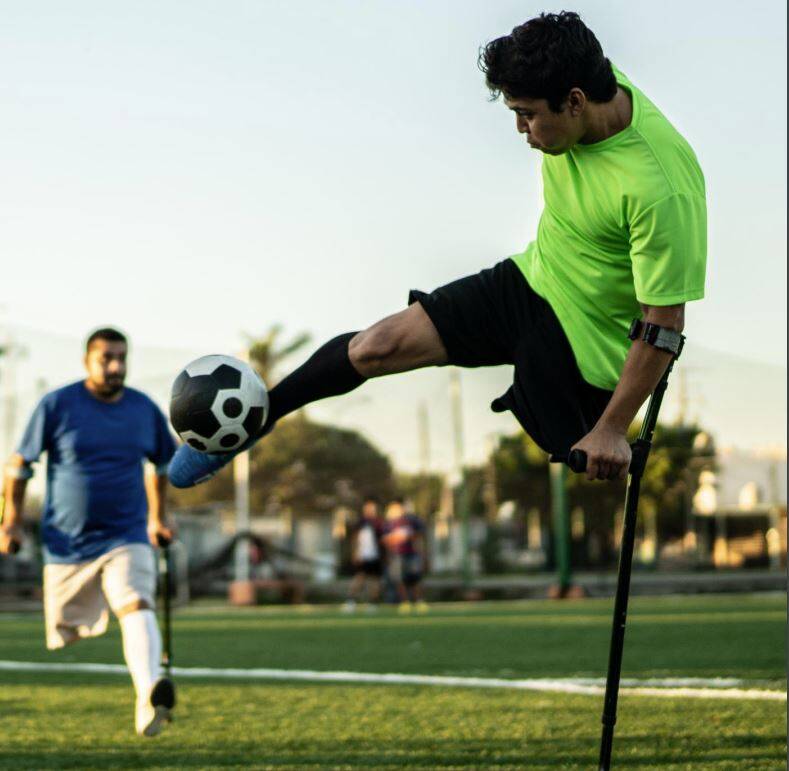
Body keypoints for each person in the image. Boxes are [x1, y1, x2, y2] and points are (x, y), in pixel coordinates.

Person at [168, 11, 706, 491]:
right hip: (530, 279)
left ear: (575, 101)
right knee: (373, 347)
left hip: (582, 347)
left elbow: (665, 323)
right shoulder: (582, 75)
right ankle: (248, 430)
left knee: (578, 457)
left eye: (527, 114)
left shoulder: (661, 187)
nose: (520, 129)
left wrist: (612, 429)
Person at [0, 328, 178, 737]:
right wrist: (10, 520)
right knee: (65, 631)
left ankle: (148, 693)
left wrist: (158, 517)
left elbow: (163, 466)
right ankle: (146, 683)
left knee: (137, 603)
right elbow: (18, 465)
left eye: (121, 358)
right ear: (87, 361)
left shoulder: (142, 409)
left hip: (127, 533)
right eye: (106, 358)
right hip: (68, 542)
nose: (115, 366)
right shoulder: (57, 405)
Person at [381, 498, 428, 613]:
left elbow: (420, 534)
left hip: (411, 554)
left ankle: (419, 601)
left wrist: (409, 538)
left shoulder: (412, 520)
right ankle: (405, 602)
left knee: (415, 579)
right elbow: (385, 539)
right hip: (396, 555)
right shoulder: (389, 524)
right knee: (399, 580)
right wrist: (394, 539)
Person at [342, 494, 385, 611]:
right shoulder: (360, 522)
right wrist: (355, 552)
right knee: (359, 578)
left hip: (376, 556)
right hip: (363, 555)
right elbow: (355, 539)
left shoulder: (379, 523)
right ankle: (350, 601)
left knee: (374, 580)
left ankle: (373, 603)